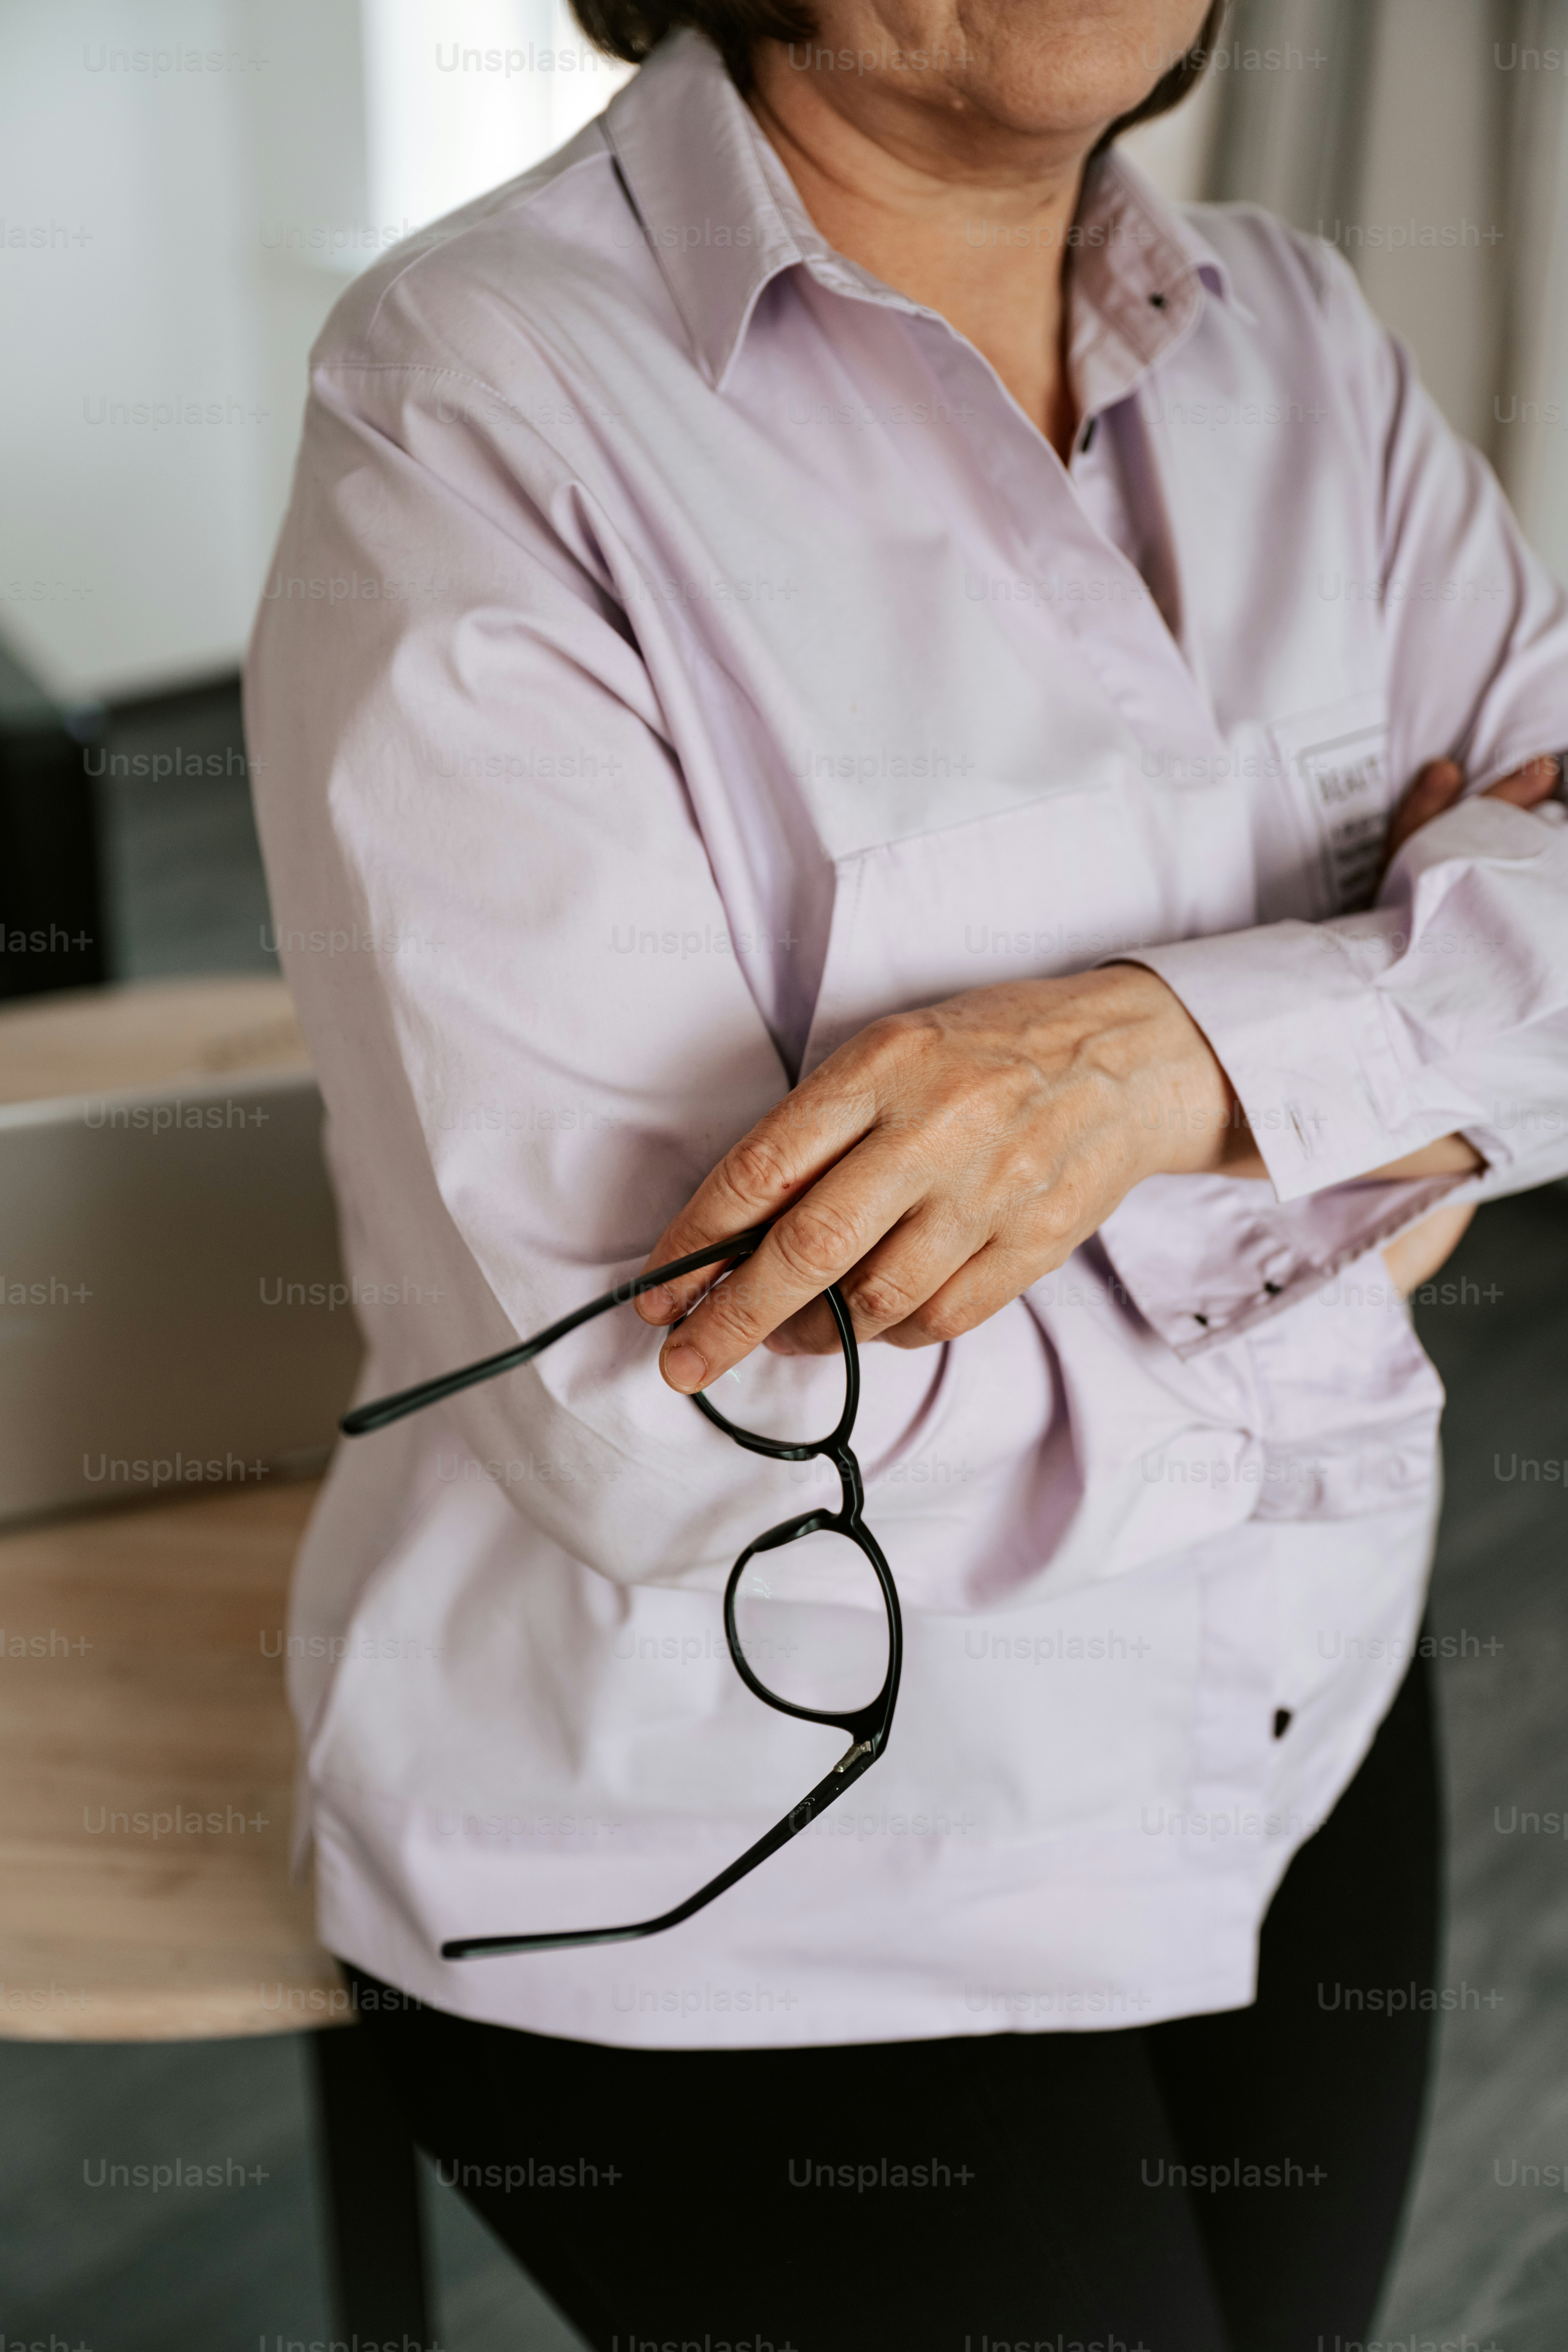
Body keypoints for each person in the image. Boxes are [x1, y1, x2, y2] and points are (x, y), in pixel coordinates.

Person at [244, 3, 1568, 2344]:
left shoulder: (1308, 344)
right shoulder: (473, 397)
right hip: (747, 1857)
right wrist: (1388, 1117)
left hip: (1287, 1718)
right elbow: (691, 1416)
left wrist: (1162, 1065)